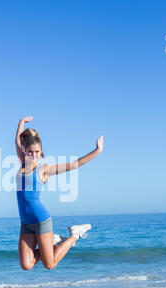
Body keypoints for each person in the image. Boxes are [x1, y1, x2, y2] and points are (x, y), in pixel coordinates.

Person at [15, 116, 103, 270]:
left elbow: (74, 165)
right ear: (25, 150)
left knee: (50, 264)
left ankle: (75, 235)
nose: (34, 155)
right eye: (30, 152)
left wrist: (97, 151)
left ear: (41, 152)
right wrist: (21, 123)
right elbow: (17, 140)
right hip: (26, 223)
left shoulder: (43, 170)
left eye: (37, 152)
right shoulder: (22, 161)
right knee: (26, 265)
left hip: (42, 220)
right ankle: (52, 242)